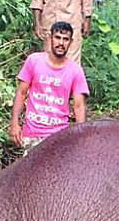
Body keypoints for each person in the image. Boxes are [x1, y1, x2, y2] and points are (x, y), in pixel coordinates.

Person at [8, 21, 89, 150]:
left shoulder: (75, 70)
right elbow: (21, 93)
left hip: (59, 136)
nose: (61, 43)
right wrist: (14, 124)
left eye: (65, 39)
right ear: (50, 38)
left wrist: (80, 137)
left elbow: (79, 106)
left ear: (71, 42)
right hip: (32, 135)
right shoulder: (34, 61)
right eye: (57, 38)